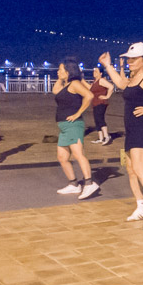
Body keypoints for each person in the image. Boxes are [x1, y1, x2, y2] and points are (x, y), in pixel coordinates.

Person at [101, 43, 143, 226]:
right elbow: (121, 84)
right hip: (131, 127)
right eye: (128, 58)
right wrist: (108, 66)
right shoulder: (133, 77)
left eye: (133, 59)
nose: (129, 61)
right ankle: (142, 206)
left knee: (139, 168)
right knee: (130, 169)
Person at [52, 58, 98, 198]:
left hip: (74, 125)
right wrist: (61, 78)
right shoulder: (66, 85)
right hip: (64, 127)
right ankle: (73, 184)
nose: (58, 72)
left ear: (68, 71)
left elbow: (89, 96)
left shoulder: (75, 83)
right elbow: (55, 91)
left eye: (61, 70)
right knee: (62, 157)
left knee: (78, 155)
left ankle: (89, 184)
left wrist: (78, 113)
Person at [88, 65, 115, 145]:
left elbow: (111, 86)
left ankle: (107, 137)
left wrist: (107, 96)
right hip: (95, 103)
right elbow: (89, 88)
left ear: (100, 73)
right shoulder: (95, 81)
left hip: (101, 102)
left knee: (100, 119)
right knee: (96, 120)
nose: (94, 73)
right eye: (94, 71)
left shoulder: (101, 80)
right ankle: (100, 138)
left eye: (96, 71)